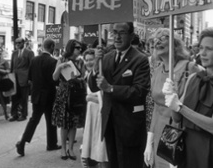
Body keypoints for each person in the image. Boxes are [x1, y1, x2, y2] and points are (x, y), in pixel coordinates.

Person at [163, 27, 213, 168]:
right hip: (186, 148)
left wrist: (180, 107)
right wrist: (172, 97)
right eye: (201, 48)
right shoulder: (192, 78)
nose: (202, 53)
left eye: (208, 49)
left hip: (212, 152)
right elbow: (177, 118)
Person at [88, 22, 150, 168]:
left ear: (131, 36)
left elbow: (139, 91)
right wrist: (96, 62)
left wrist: (110, 88)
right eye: (114, 32)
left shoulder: (140, 59)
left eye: (121, 33)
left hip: (129, 125)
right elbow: (92, 86)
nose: (117, 36)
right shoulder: (107, 57)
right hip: (109, 122)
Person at [143, 28, 201, 168]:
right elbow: (157, 107)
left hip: (180, 133)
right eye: (155, 39)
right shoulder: (157, 70)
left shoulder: (190, 67)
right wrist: (149, 141)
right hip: (159, 133)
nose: (158, 41)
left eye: (163, 37)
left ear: (175, 44)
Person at [16, 38, 60, 156]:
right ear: (51, 47)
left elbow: (30, 78)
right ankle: (51, 143)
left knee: (34, 120)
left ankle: (23, 142)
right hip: (49, 95)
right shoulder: (53, 62)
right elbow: (55, 80)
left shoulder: (34, 60)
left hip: (36, 95)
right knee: (51, 120)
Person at [52, 39, 86, 161]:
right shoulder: (61, 60)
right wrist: (60, 67)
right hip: (64, 93)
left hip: (76, 93)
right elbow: (55, 77)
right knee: (64, 123)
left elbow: (83, 78)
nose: (79, 50)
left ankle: (71, 148)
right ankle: (63, 148)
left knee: (74, 122)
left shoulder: (81, 61)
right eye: (77, 48)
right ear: (71, 48)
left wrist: (78, 78)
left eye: (80, 48)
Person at [81, 49, 108, 168]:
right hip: (91, 114)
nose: (88, 62)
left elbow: (105, 96)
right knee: (92, 143)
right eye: (86, 60)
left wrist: (89, 98)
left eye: (91, 59)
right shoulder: (88, 74)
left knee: (101, 146)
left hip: (100, 113)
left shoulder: (100, 73)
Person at [9, 37, 35, 121]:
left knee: (24, 98)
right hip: (14, 79)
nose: (17, 45)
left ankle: (23, 114)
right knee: (14, 97)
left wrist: (30, 79)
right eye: (16, 43)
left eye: (19, 43)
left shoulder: (29, 53)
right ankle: (14, 114)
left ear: (23, 43)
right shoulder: (14, 53)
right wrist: (10, 77)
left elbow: (32, 66)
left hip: (24, 78)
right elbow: (12, 66)